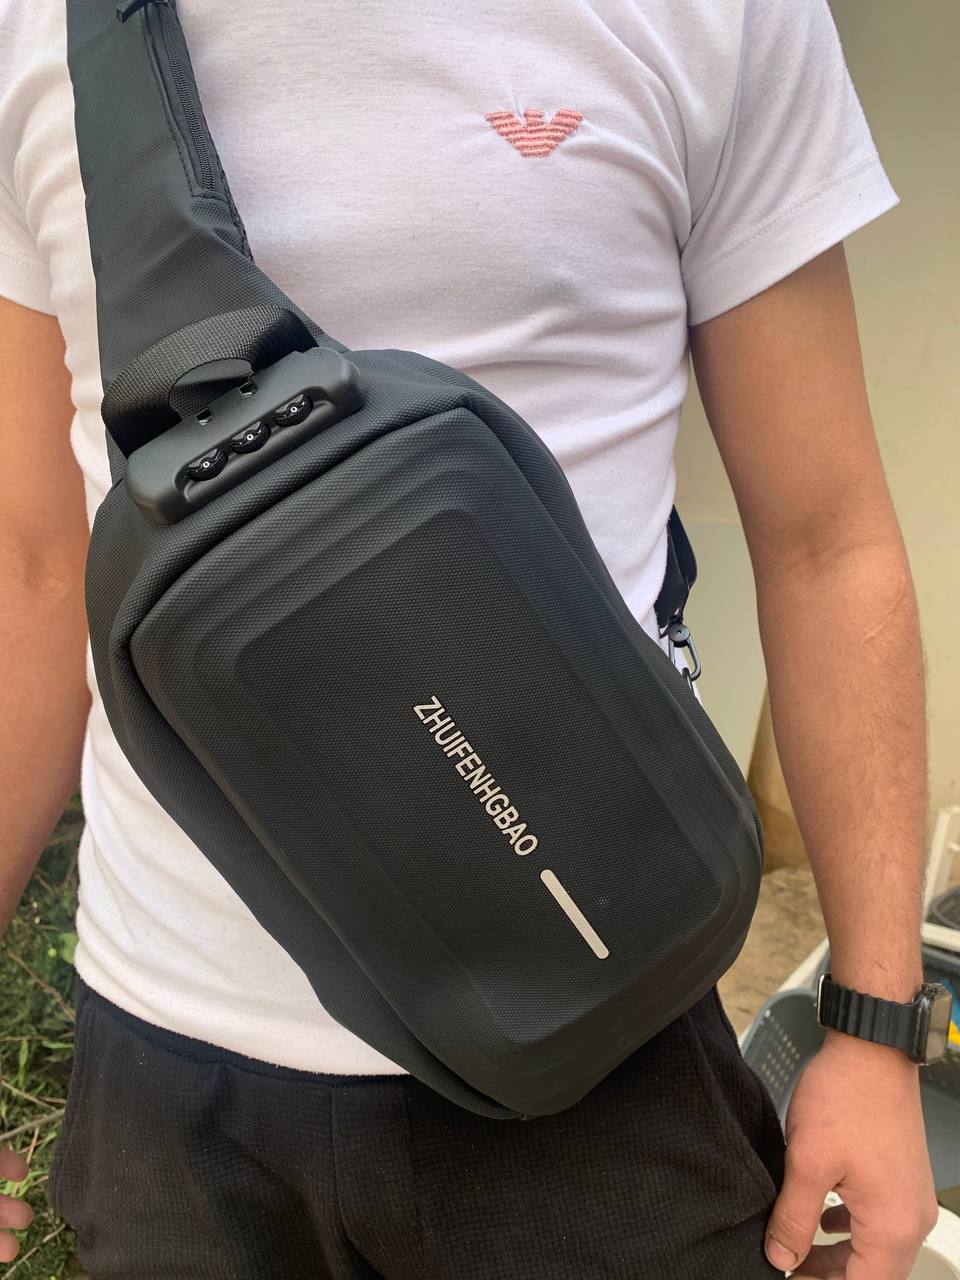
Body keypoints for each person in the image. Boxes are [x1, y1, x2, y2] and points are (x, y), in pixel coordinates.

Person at [0, 0, 938, 1276]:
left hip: (599, 1030)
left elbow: (828, 542)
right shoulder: (40, 28)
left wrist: (878, 1029)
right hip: (171, 1075)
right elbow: (37, 571)